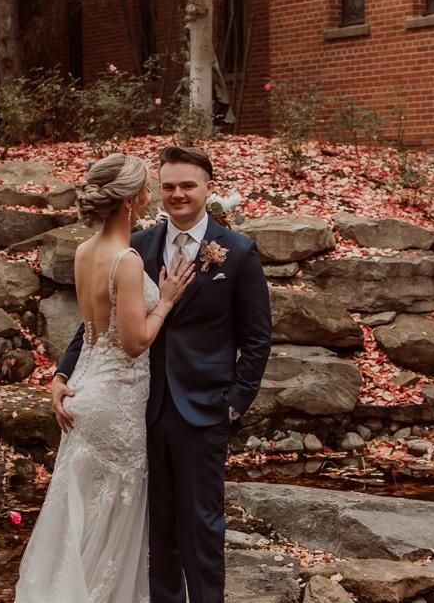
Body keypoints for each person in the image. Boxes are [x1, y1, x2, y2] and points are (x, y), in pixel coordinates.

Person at [52, 146, 272, 603]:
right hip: (140, 408)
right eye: (168, 185)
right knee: (156, 531)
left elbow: (256, 339)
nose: (177, 194)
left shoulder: (238, 253)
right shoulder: (138, 245)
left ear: (208, 189)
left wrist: (233, 405)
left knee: (203, 526)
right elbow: (99, 321)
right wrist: (63, 371)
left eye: (188, 185)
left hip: (204, 410)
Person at [14, 152, 195, 603]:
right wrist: (166, 300)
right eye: (146, 188)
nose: (151, 195)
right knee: (114, 519)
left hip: (85, 389)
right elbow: (135, 342)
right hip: (117, 402)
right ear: (130, 200)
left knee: (81, 519)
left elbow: (93, 329)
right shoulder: (126, 260)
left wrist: (60, 374)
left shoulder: (83, 252)